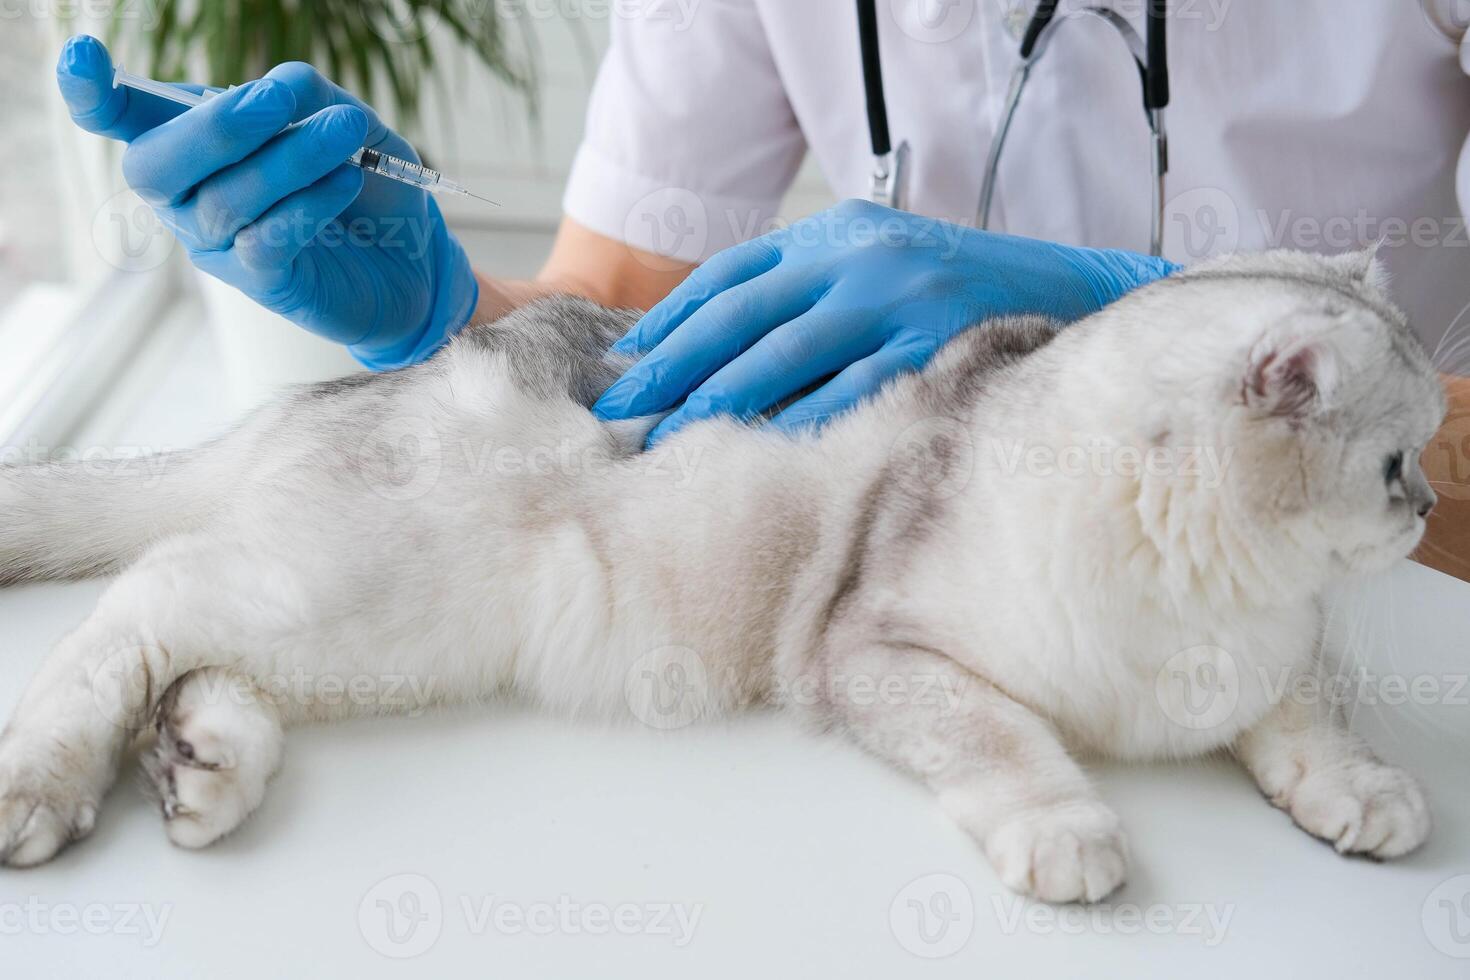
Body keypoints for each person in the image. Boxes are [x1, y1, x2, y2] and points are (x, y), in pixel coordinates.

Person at [53, 2, 1470, 572]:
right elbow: (626, 324)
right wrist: (442, 315)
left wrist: (1156, 332)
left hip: (1376, 582)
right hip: (944, 599)